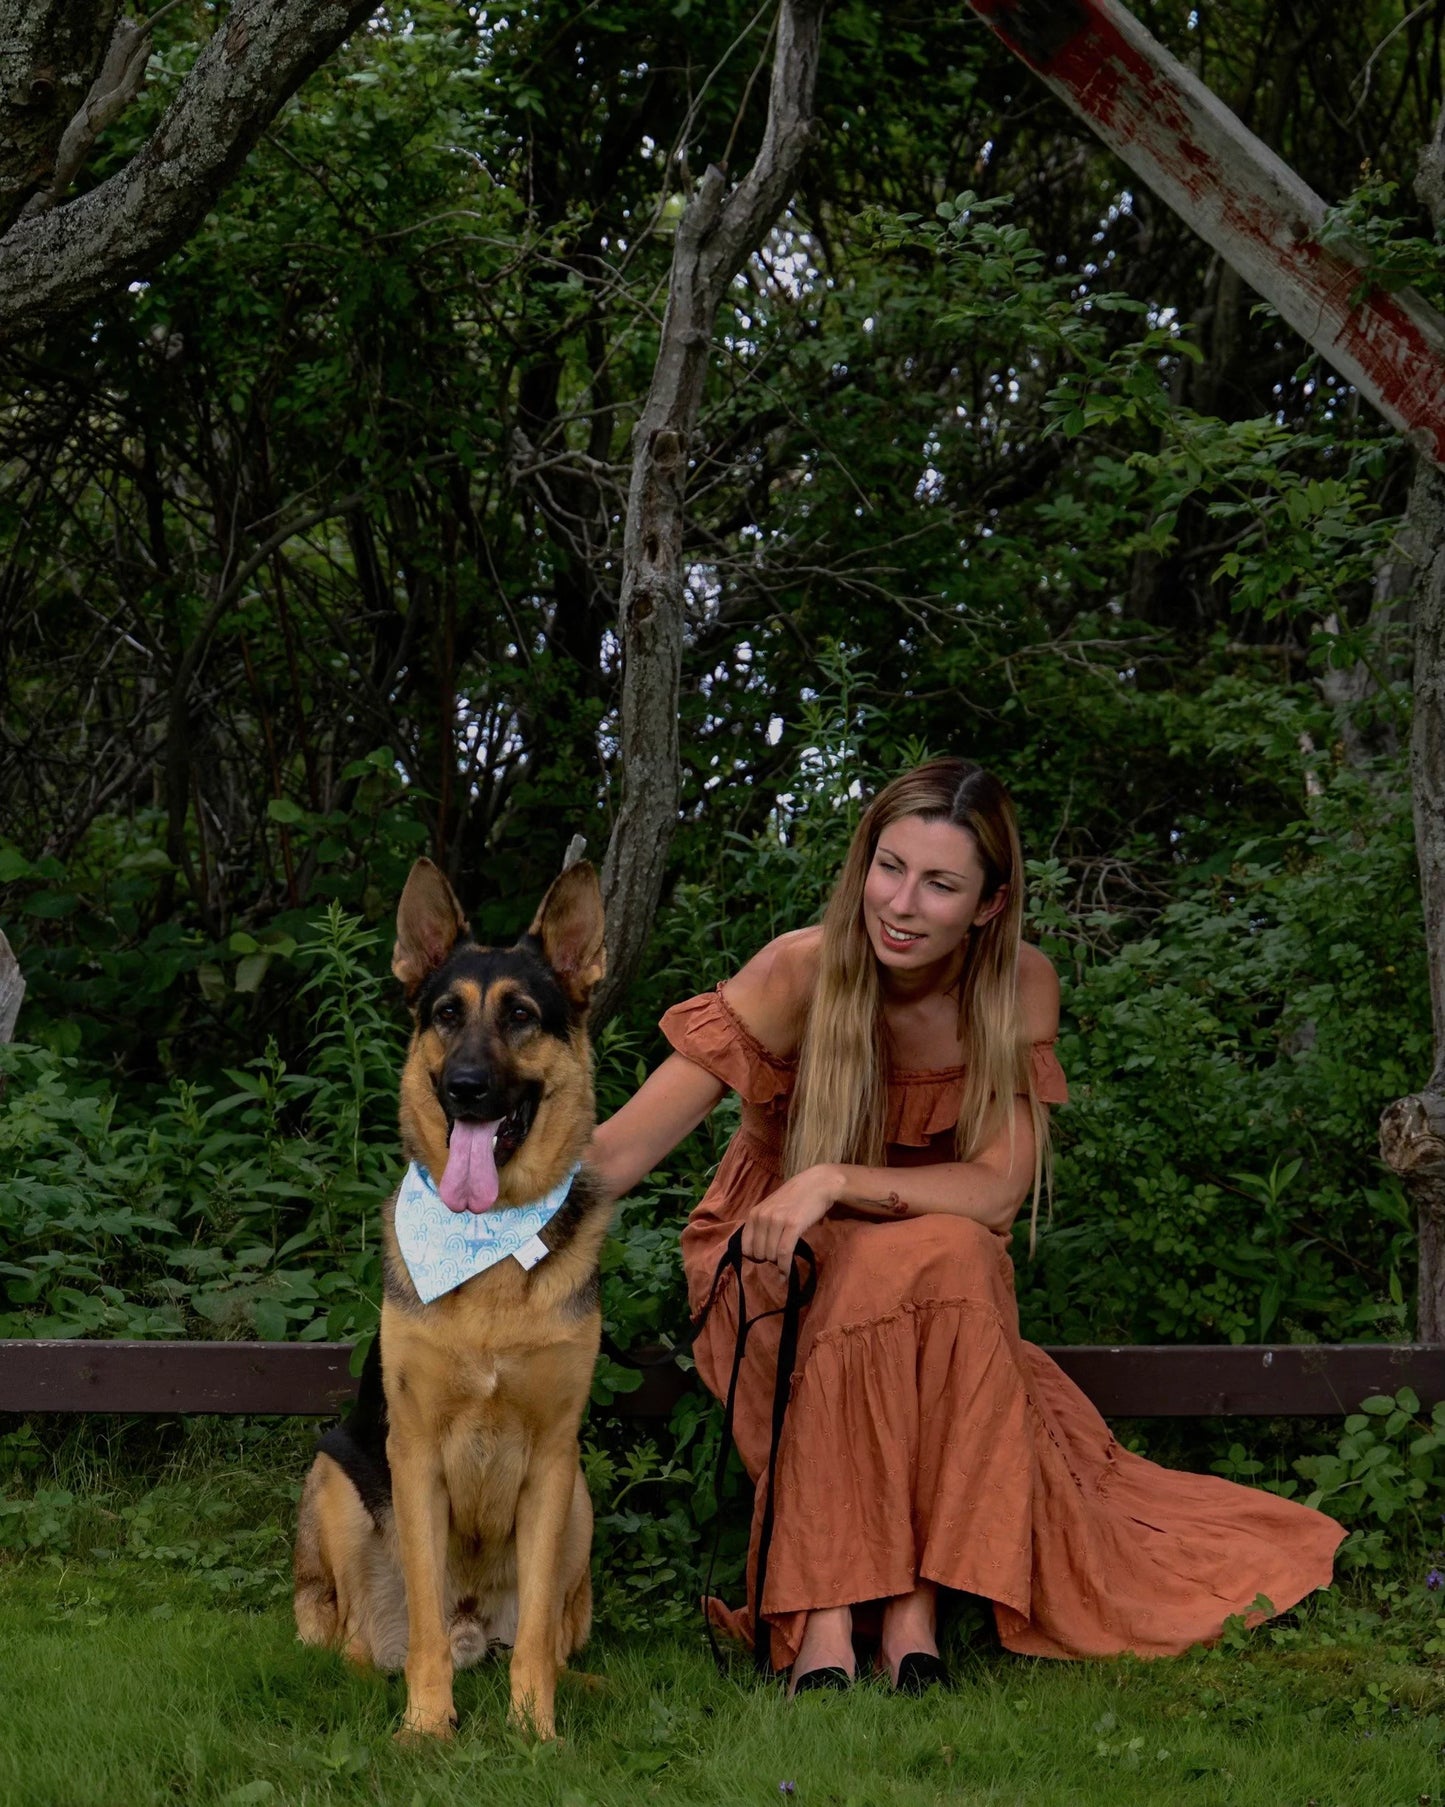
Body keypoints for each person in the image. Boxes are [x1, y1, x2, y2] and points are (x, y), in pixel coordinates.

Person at [588, 757, 1344, 1693]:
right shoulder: (799, 970)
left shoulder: (1016, 983)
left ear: (987, 904)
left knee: (945, 1248)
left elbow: (994, 1194)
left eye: (939, 883)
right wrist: (466, 1177)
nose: (901, 904)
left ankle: (867, 1621)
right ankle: (881, 1618)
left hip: (928, 1267)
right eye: (888, 866)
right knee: (921, 1261)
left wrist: (832, 1174)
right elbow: (615, 1159)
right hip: (777, 1253)